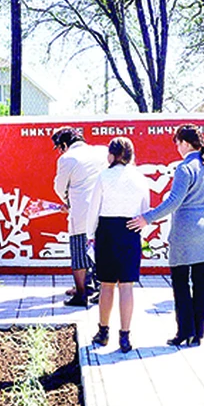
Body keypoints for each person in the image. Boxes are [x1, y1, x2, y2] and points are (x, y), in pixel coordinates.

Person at [129, 124, 204, 347]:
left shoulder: (184, 168)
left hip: (186, 229)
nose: (177, 148)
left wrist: (147, 218)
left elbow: (173, 201)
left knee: (181, 281)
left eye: (178, 143)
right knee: (202, 281)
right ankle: (198, 333)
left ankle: (183, 331)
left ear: (186, 143)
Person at [86, 137, 151, 353]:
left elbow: (94, 207)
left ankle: (103, 332)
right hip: (131, 229)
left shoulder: (104, 176)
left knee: (106, 285)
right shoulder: (140, 177)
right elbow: (145, 207)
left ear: (112, 155)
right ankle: (125, 336)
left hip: (107, 230)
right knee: (127, 286)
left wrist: (89, 233)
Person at [52, 126, 109, 307]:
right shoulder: (102, 151)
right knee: (101, 252)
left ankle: (81, 294)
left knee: (79, 252)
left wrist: (67, 202)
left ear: (64, 144)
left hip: (81, 210)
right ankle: (102, 292)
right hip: (105, 209)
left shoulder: (67, 158)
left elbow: (59, 187)